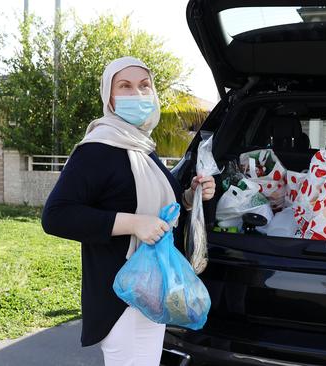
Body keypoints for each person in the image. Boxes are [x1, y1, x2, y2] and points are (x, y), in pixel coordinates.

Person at [41, 56, 215, 366]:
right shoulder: (96, 149)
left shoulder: (141, 148)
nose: (136, 94)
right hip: (119, 294)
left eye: (144, 86)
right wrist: (133, 223)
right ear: (109, 96)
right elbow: (56, 215)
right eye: (125, 86)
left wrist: (191, 196)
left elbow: (157, 205)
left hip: (152, 286)